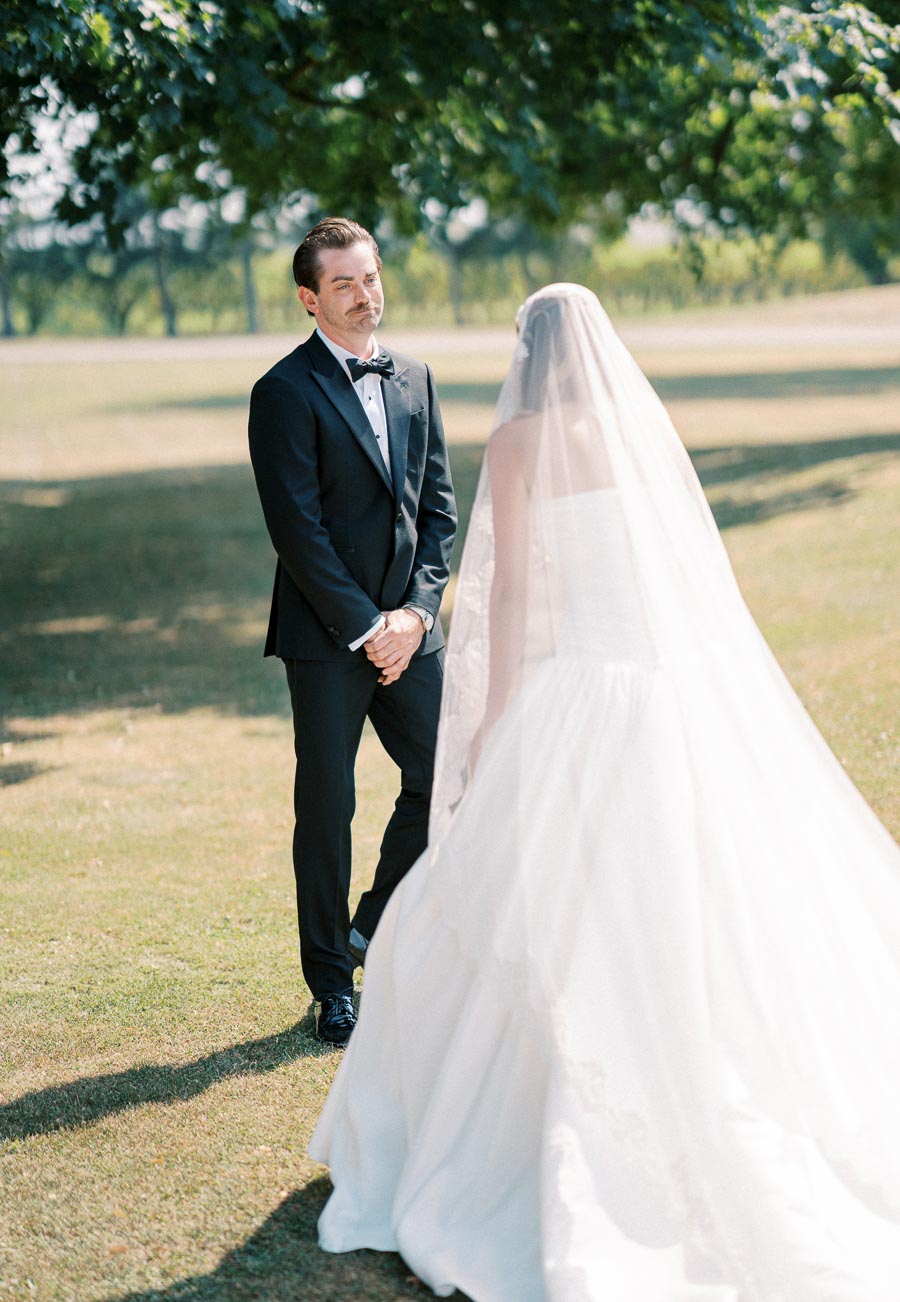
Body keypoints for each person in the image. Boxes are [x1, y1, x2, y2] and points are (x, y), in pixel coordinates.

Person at [308, 283, 900, 1300]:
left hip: (585, 687)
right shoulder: (636, 427)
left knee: (543, 906)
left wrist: (492, 723)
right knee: (692, 900)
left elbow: (513, 595)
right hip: (675, 690)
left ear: (528, 355)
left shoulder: (524, 442)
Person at [248, 217, 456, 1047]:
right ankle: (332, 982)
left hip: (412, 632)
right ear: (310, 298)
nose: (364, 294)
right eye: (344, 283)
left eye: (370, 277)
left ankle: (370, 924)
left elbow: (438, 510)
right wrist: (368, 627)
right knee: (327, 806)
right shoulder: (283, 392)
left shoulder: (417, 377)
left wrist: (416, 615)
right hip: (327, 638)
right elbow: (296, 530)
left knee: (451, 779)